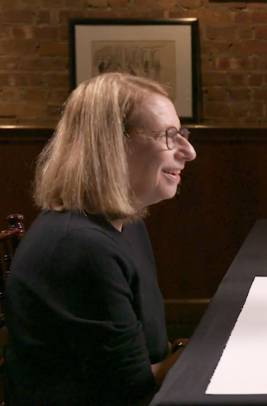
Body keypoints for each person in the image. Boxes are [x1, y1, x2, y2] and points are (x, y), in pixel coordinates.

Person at [6, 72, 196, 404]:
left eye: (181, 134)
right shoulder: (80, 248)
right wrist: (211, 346)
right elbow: (133, 392)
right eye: (168, 135)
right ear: (112, 144)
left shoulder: (126, 223)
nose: (189, 151)